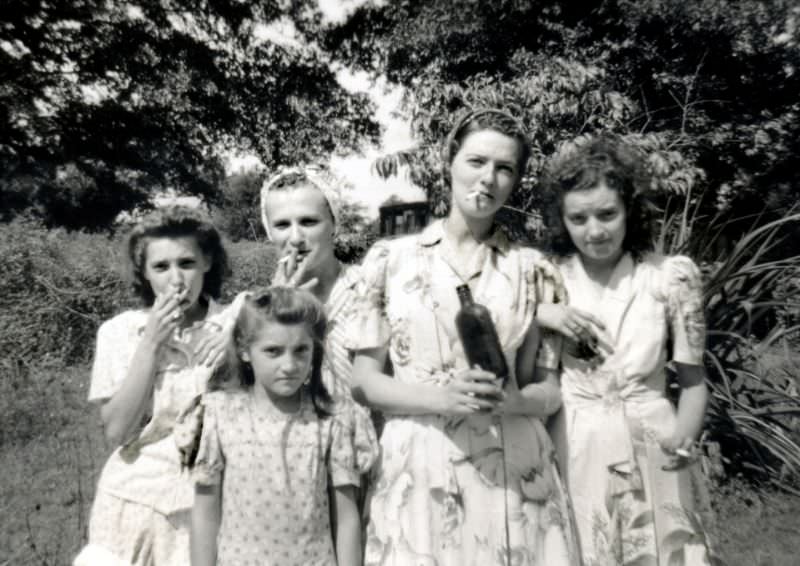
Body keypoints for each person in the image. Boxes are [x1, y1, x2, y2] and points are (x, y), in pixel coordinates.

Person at [349, 109, 579, 566]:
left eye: (505, 168)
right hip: (419, 470)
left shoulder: (534, 271)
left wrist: (513, 399)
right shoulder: (388, 262)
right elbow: (364, 382)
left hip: (512, 470)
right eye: (476, 161)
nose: (488, 179)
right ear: (449, 161)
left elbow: (549, 390)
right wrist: (444, 398)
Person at [537, 134, 720, 565]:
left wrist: (684, 437)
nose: (594, 231)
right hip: (576, 446)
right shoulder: (548, 281)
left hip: (654, 442)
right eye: (578, 218)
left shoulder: (669, 279)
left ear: (629, 211)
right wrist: (542, 312)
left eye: (607, 214)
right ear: (562, 220)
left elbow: (693, 385)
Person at [74, 206, 232, 566]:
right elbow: (116, 430)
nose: (176, 280)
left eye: (186, 263)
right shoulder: (120, 332)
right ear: (144, 274)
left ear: (207, 262)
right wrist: (151, 346)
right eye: (161, 267)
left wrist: (237, 339)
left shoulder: (235, 325)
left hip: (207, 507)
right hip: (132, 500)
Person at [190, 286, 376, 566]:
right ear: (244, 350)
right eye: (273, 351)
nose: (289, 365)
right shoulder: (221, 414)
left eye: (301, 350)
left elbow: (346, 519)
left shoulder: (331, 418)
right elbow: (205, 513)